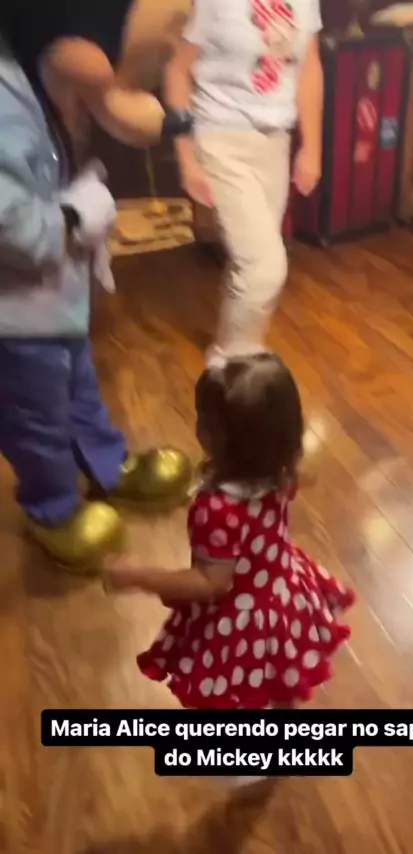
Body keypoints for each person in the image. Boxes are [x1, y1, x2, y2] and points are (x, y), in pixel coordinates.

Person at [0, 1, 193, 569]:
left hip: (54, 296)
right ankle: (53, 508)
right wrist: (71, 216)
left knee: (80, 389)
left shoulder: (31, 73)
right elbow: (8, 219)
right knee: (35, 414)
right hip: (13, 316)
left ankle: (108, 466)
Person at [106, 353, 354, 785]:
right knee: (276, 672)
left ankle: (247, 765)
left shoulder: (217, 508)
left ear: (225, 440)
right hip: (282, 591)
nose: (196, 424)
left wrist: (139, 576)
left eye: (204, 420)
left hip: (241, 618)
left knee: (236, 694)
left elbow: (211, 582)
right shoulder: (281, 469)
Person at [164, 0, 324, 365]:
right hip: (221, 140)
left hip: (276, 142)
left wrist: (311, 148)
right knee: (264, 266)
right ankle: (229, 362)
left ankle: (243, 348)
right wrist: (187, 159)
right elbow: (176, 72)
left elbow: (309, 67)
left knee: (250, 265)